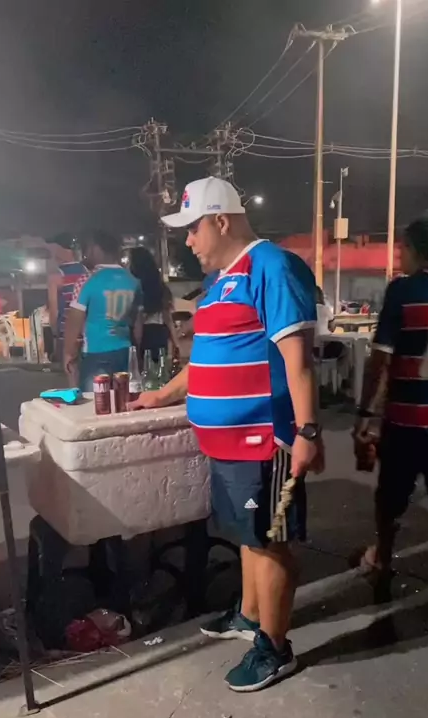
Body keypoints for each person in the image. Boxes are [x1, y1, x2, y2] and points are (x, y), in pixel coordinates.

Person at [129, 176, 324, 692]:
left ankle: (274, 648)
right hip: (226, 445)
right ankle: (249, 615)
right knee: (246, 535)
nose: (188, 240)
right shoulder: (220, 282)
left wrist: (307, 431)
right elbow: (206, 359)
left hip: (263, 439)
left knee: (269, 542)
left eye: (193, 228)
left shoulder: (271, 266)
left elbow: (298, 360)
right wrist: (162, 395)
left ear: (221, 221)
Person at [354, 214, 428, 590]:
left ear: (415, 249)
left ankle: (382, 559)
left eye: (403, 247)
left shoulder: (402, 290)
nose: (400, 254)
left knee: (390, 499)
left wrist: (365, 415)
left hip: (405, 423)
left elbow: (380, 361)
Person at [63, 231, 143, 391]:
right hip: (124, 352)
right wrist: (136, 354)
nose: (86, 254)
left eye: (87, 248)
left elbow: (74, 322)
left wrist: (68, 354)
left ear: (96, 248)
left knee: (95, 402)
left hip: (96, 354)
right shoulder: (133, 281)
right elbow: (138, 326)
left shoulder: (87, 280)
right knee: (123, 401)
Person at [129, 246, 179, 361]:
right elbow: (167, 317)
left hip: (139, 334)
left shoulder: (134, 286)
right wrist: (176, 343)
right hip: (158, 333)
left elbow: (137, 318)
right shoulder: (159, 286)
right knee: (159, 367)